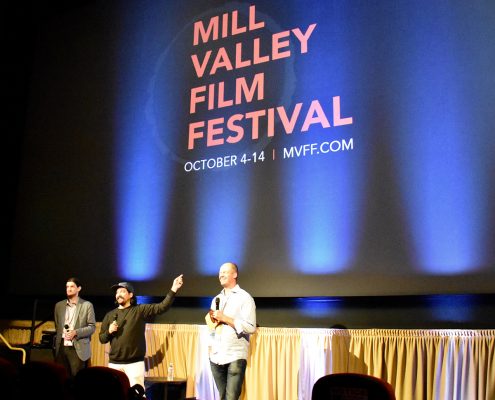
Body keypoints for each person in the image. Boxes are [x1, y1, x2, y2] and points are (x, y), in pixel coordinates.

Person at [99, 275, 184, 390]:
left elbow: (162, 307)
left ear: (130, 295)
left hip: (134, 364)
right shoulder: (110, 315)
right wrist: (109, 331)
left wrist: (173, 289)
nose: (119, 294)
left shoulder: (139, 310)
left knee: (136, 394)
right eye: (117, 292)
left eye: (122, 291)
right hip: (114, 364)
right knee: (115, 394)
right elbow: (102, 339)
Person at [207, 262, 256, 400]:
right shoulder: (216, 299)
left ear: (235, 274)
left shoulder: (245, 298)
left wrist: (225, 318)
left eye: (224, 272)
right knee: (222, 397)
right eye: (220, 273)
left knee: (231, 397)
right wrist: (210, 347)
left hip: (235, 354)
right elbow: (212, 326)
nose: (221, 275)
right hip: (216, 356)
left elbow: (251, 327)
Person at [54, 277, 96, 377]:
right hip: (61, 346)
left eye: (72, 286)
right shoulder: (59, 306)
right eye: (67, 287)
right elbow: (57, 325)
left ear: (79, 288)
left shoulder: (86, 305)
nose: (69, 289)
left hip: (77, 347)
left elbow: (92, 327)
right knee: (62, 377)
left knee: (77, 378)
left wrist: (76, 332)